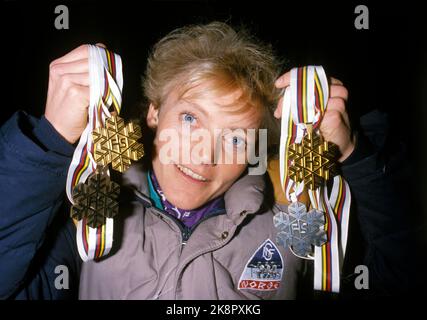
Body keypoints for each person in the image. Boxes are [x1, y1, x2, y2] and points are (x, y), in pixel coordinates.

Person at [0, 22, 414, 300]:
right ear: (154, 113)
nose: (204, 153)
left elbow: (403, 274)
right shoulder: (92, 216)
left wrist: (353, 155)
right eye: (189, 117)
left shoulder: (294, 223)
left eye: (235, 138)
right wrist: (49, 141)